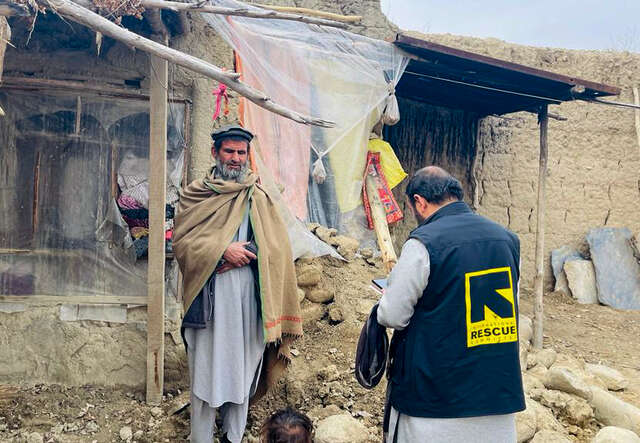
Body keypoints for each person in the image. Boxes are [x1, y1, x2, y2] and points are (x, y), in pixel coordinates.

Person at [173, 125, 303, 443]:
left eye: (241, 152)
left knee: (242, 370)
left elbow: (278, 247)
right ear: (215, 153)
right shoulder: (196, 195)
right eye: (229, 151)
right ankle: (200, 436)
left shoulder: (258, 197)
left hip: (250, 299)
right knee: (206, 369)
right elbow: (182, 243)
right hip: (211, 297)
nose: (235, 158)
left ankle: (233, 435)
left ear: (248, 157)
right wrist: (221, 251)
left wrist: (247, 253)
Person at [377, 166, 525, 443]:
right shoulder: (507, 240)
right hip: (496, 398)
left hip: (434, 402)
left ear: (419, 202)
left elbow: (393, 315)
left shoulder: (424, 243)